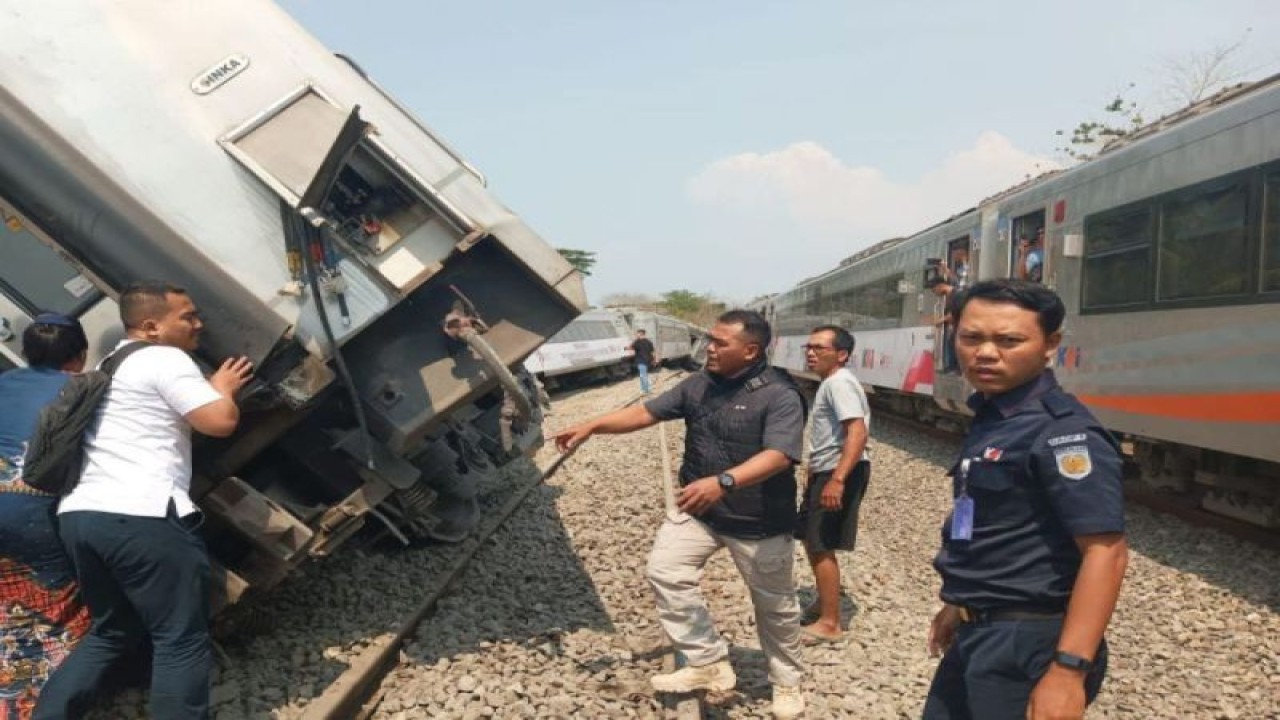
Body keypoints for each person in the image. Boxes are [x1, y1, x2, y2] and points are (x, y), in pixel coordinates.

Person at [552, 310, 807, 719]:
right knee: (665, 571)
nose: (710, 347)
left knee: (774, 608)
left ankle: (788, 683)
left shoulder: (780, 394)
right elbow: (646, 413)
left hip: (758, 522)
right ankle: (707, 661)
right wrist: (593, 424)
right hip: (701, 513)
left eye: (721, 343)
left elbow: (779, 456)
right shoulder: (700, 384)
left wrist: (722, 481)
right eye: (710, 339)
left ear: (751, 350)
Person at [36, 282, 253, 720]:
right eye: (187, 317)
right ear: (152, 327)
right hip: (140, 516)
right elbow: (219, 422)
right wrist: (222, 387)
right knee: (179, 638)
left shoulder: (108, 363)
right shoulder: (164, 358)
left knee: (112, 631)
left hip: (80, 517)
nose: (198, 324)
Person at [923, 279, 1128, 720]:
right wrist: (958, 604)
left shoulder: (1064, 433)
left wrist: (1069, 670)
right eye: (971, 337)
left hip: (1028, 641)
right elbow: (987, 522)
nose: (986, 352)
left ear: (1050, 344)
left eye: (1009, 340)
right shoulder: (995, 416)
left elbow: (1105, 553)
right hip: (980, 626)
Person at [0, 313, 93, 718]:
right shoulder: (83, 390)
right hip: (35, 517)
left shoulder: (4, 384)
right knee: (56, 617)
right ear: (82, 354)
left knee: (9, 612)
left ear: (25, 353)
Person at [794, 325, 870, 643]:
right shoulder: (831, 383)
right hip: (827, 469)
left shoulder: (839, 384)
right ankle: (825, 603)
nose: (811, 353)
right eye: (808, 347)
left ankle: (830, 623)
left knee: (821, 543)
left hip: (839, 472)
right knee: (812, 540)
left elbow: (857, 432)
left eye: (819, 348)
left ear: (841, 355)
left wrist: (837, 479)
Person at [629, 329, 658, 394]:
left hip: (641, 361)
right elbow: (653, 352)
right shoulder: (649, 342)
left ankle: (647, 389)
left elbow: (630, 347)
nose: (636, 335)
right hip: (648, 361)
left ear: (640, 334)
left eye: (637, 334)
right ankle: (643, 389)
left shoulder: (637, 342)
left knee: (643, 375)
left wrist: (635, 339)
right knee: (643, 375)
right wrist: (654, 360)